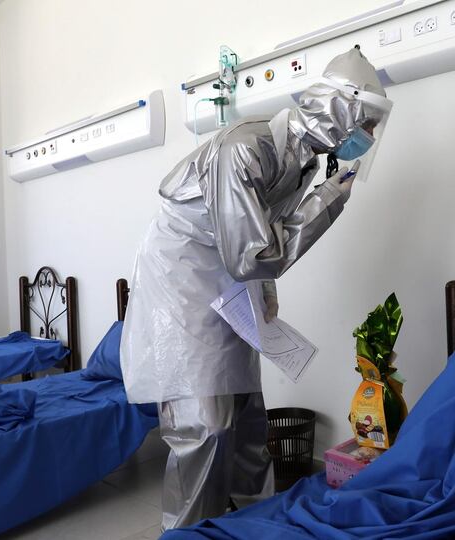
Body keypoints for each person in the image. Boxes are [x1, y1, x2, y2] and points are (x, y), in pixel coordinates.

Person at [119, 46, 393, 530]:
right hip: (183, 278)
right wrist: (329, 203)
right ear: (338, 109)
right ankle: (184, 532)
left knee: (244, 413)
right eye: (365, 123)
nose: (368, 137)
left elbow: (263, 232)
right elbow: (252, 253)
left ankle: (253, 522)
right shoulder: (244, 149)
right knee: (205, 420)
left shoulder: (301, 160)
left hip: (228, 273)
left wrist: (264, 290)